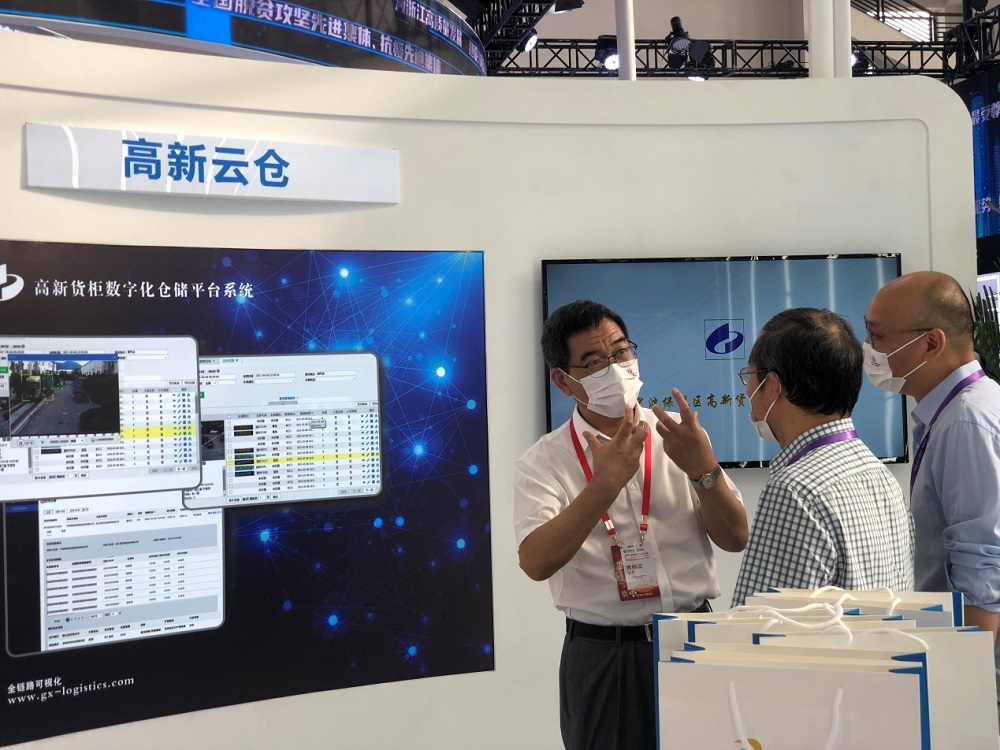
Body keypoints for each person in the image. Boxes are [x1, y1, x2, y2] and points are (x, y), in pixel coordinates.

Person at [513, 299, 748, 750]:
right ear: (562, 380)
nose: (615, 368)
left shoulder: (679, 434)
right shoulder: (543, 462)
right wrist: (604, 485)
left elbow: (735, 537)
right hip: (607, 655)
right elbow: (535, 562)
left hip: (696, 637)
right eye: (593, 362)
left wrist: (703, 470)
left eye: (621, 351)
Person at [865, 271, 1000, 701]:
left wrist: (961, 690)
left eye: (877, 335)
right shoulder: (956, 411)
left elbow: (983, 566)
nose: (868, 350)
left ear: (931, 343)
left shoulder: (966, 422)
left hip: (976, 678)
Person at [730, 308, 914, 607]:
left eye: (750, 376)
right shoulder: (880, 475)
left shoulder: (795, 490)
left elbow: (759, 622)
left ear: (773, 386)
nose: (749, 389)